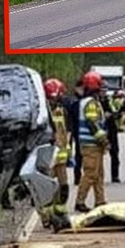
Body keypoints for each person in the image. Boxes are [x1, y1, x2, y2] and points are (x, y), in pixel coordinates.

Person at [74, 71, 109, 212]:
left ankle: (100, 201)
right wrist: (103, 140)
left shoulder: (89, 102)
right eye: (100, 86)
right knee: (90, 174)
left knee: (99, 174)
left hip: (93, 144)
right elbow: (92, 123)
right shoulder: (91, 103)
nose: (103, 89)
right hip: (91, 144)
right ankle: (80, 201)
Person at [44, 79, 71, 220]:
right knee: (48, 186)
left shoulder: (61, 111)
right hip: (48, 156)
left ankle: (60, 210)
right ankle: (47, 216)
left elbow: (65, 132)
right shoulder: (43, 113)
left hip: (60, 155)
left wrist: (68, 149)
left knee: (63, 186)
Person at [64, 79, 84, 185]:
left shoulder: (82, 100)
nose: (82, 90)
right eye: (80, 88)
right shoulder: (72, 101)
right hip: (74, 129)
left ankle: (80, 177)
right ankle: (77, 177)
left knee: (81, 155)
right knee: (77, 155)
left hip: (79, 129)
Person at [105, 89, 125, 184]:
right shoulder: (97, 101)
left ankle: (115, 176)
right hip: (102, 129)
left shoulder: (108, 101)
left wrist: (117, 115)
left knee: (115, 153)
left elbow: (115, 113)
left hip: (111, 129)